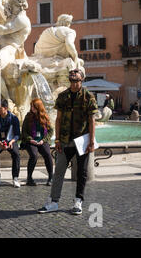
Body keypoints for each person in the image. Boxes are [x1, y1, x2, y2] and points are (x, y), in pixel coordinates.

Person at [38, 68, 99, 215]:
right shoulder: (63, 96)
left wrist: (91, 141)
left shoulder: (88, 96)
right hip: (65, 141)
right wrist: (57, 139)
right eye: (71, 80)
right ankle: (53, 202)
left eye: (76, 80)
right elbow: (58, 119)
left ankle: (78, 201)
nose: (73, 82)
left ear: (82, 80)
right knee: (58, 172)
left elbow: (92, 121)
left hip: (82, 141)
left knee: (82, 173)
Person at [21, 98, 54, 186]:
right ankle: (29, 178)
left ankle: (51, 177)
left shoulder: (45, 116)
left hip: (42, 140)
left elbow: (50, 131)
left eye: (34, 107)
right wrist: (30, 139)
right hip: (30, 140)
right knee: (34, 155)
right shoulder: (28, 116)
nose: (32, 108)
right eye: (31, 106)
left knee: (47, 154)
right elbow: (24, 131)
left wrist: (44, 140)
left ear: (39, 107)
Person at [0, 99, 21, 188]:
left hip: (11, 141)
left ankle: (15, 178)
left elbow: (17, 134)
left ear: (6, 108)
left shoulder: (14, 118)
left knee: (16, 154)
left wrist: (11, 142)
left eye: (0, 108)